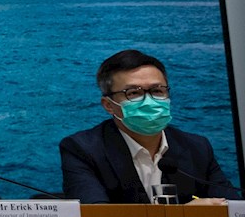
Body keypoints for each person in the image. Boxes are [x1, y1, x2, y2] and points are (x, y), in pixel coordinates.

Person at [59, 49, 240, 204]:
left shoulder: (197, 147)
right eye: (134, 93)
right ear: (108, 105)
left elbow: (234, 212)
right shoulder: (82, 149)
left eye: (157, 91)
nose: (149, 101)